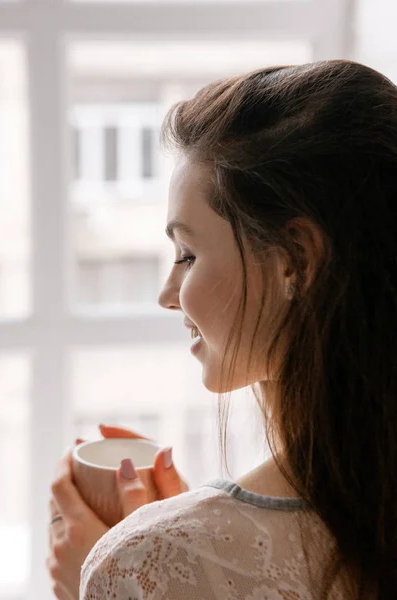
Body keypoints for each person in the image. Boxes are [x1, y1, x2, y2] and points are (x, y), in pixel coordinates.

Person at [47, 59, 397, 599]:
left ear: (296, 261)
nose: (168, 295)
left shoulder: (150, 562)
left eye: (187, 254)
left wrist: (124, 573)